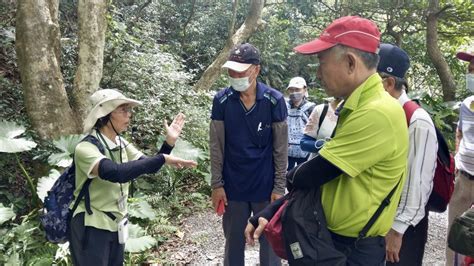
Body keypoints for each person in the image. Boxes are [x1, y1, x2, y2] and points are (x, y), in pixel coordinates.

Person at [245, 16, 409, 265]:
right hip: (332, 237)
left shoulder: (377, 112)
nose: (319, 74)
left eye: (322, 63)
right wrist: (271, 210)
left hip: (354, 249)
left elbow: (315, 172)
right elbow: (322, 179)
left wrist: (289, 178)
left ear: (350, 62)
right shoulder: (356, 106)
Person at [69, 89, 197, 265]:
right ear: (105, 114)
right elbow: (115, 172)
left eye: (129, 110)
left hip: (116, 224)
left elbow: (148, 166)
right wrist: (162, 158)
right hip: (91, 226)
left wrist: (169, 143)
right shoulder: (85, 148)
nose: (129, 115)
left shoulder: (121, 143)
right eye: (123, 110)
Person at [209, 43, 288, 266]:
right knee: (233, 242)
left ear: (256, 70)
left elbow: (280, 148)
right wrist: (217, 184)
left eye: (240, 70)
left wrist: (279, 187)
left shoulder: (274, 100)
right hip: (233, 186)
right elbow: (216, 145)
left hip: (265, 186)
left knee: (270, 241)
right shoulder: (222, 100)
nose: (234, 75)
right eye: (231, 70)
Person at [377, 43, 438, 265]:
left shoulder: (416, 120)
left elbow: (418, 181)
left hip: (403, 227)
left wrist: (397, 230)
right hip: (381, 218)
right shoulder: (383, 113)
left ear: (388, 83)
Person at [446, 49, 474, 266]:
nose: (470, 71)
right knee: (456, 235)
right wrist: (457, 159)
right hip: (464, 179)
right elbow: (461, 132)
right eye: (470, 68)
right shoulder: (467, 103)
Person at [286, 76, 316, 170]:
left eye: (297, 89)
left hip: (305, 152)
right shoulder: (284, 106)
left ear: (304, 90)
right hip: (287, 151)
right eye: (291, 90)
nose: (294, 93)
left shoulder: (311, 108)